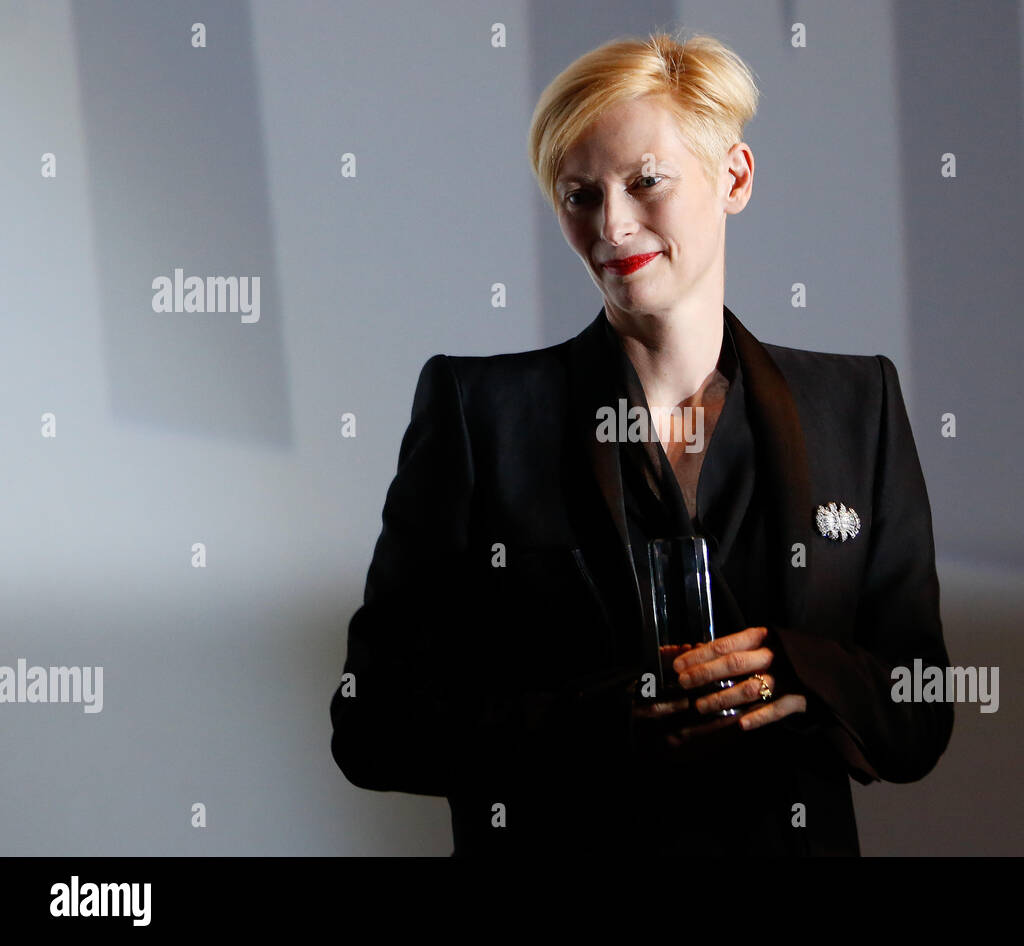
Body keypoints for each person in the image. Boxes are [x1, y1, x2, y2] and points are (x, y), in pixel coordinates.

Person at [330, 31, 953, 856]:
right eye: (579, 195)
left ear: (734, 177)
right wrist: (607, 717)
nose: (612, 224)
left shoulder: (857, 405)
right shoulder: (479, 411)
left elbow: (921, 711)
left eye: (645, 181)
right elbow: (373, 721)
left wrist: (796, 671)